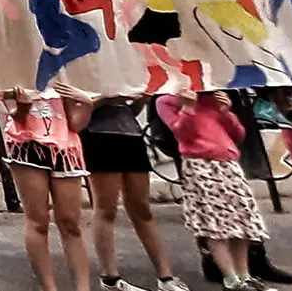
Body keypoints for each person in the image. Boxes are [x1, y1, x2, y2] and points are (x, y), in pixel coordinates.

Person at [157, 89, 276, 291]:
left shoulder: (212, 97)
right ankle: (230, 280)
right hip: (201, 165)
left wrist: (226, 112)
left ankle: (244, 276)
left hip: (228, 162)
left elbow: (237, 134)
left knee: (240, 222)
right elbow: (181, 133)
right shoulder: (166, 101)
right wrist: (187, 107)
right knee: (216, 225)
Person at [81, 96, 188, 291]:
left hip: (131, 134)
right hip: (98, 136)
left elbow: (131, 110)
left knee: (142, 209)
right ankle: (110, 279)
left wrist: (142, 97)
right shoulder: (83, 71)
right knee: (106, 208)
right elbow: (79, 108)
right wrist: (109, 97)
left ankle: (166, 277)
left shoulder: (124, 69)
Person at [1, 84, 92, 291]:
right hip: (25, 144)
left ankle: (83, 288)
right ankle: (49, 288)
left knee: (71, 222)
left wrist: (86, 103)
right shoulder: (10, 69)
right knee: (38, 220)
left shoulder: (60, 72)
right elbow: (11, 113)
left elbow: (75, 124)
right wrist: (22, 109)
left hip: (65, 146)